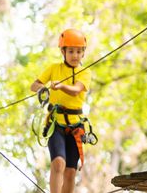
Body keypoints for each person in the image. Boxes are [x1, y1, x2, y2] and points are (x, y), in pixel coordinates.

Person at [30, 29, 92, 193]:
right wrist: (43, 88)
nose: (75, 55)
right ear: (63, 51)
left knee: (70, 171)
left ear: (83, 53)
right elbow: (33, 86)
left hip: (76, 126)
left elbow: (76, 90)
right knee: (58, 162)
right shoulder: (53, 68)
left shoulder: (85, 72)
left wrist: (61, 85)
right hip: (55, 123)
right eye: (71, 51)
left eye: (79, 51)